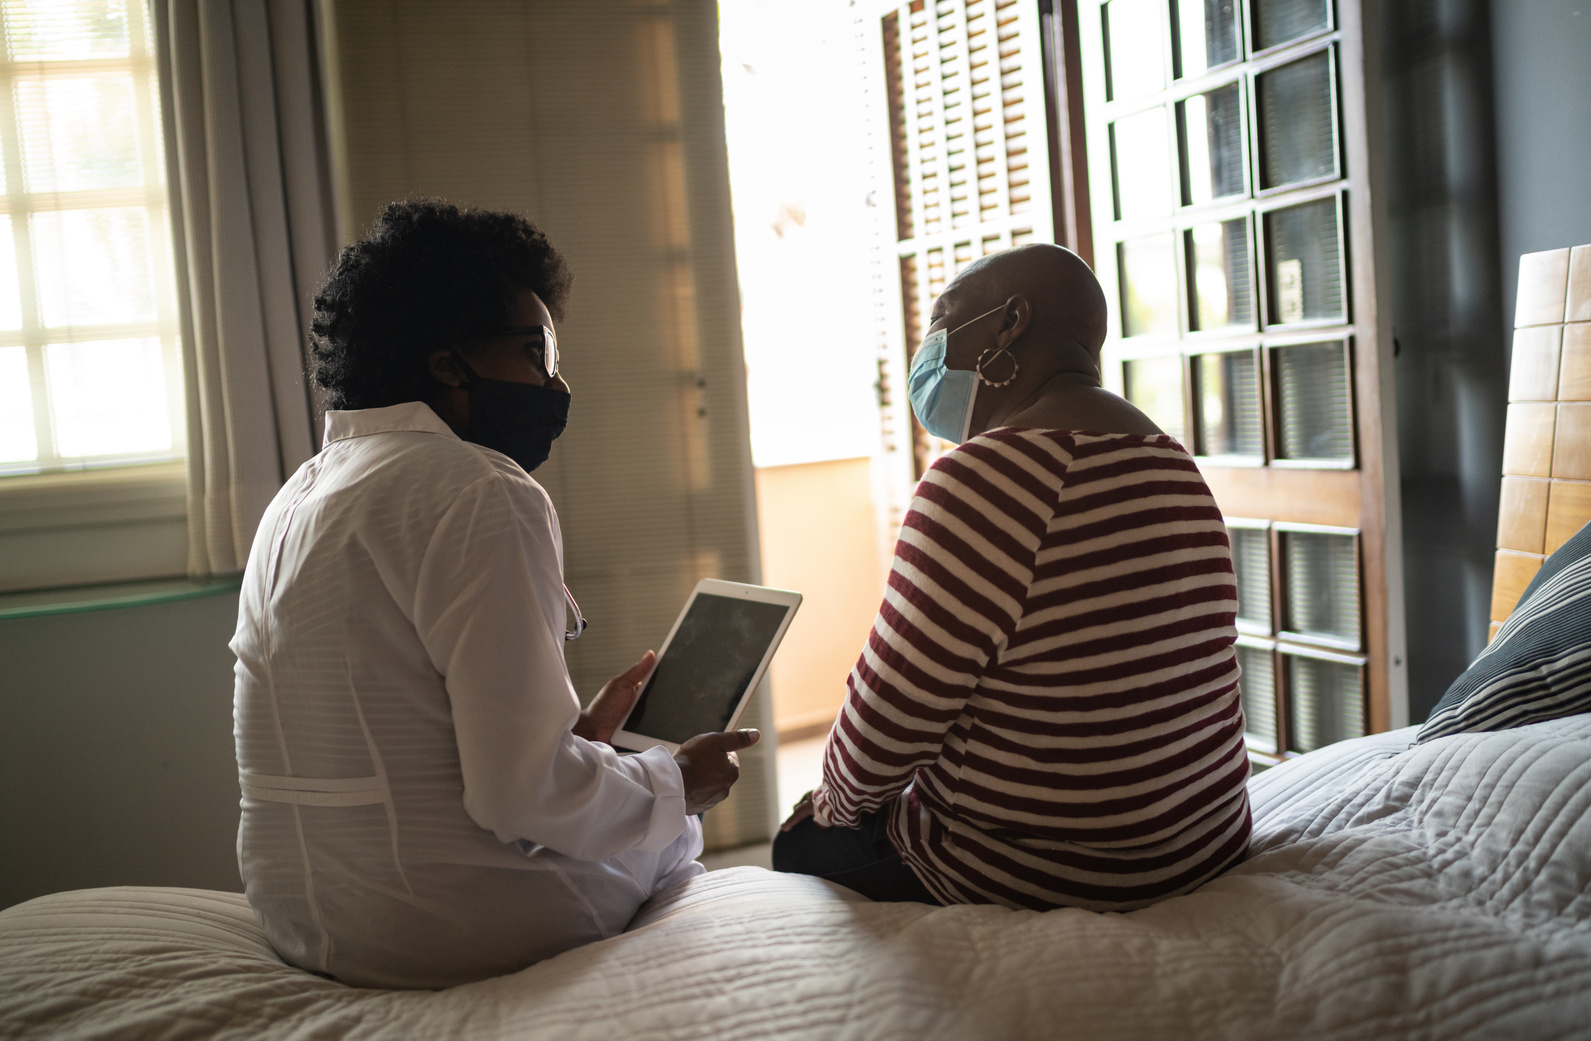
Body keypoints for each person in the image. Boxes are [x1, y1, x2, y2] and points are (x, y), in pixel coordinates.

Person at [231, 199, 757, 990]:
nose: (555, 382)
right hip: (442, 922)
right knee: (670, 833)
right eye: (536, 351)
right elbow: (521, 795)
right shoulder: (477, 487)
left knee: (627, 802)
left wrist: (576, 743)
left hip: (302, 915)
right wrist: (677, 779)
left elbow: (409, 732)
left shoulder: (304, 492)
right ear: (448, 362)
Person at [773, 243, 1251, 911]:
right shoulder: (1172, 465)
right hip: (1202, 842)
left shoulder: (978, 480)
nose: (928, 347)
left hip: (1044, 874)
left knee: (796, 840)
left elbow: (882, 729)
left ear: (1009, 322)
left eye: (942, 321)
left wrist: (828, 803)